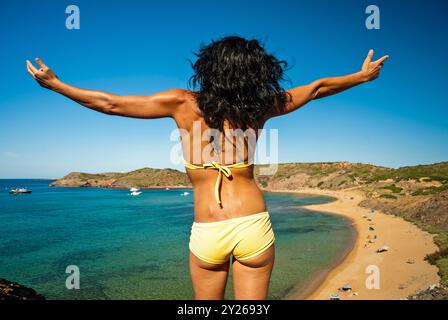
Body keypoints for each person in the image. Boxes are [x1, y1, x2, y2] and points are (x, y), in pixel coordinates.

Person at [26, 36, 388, 300]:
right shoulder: (262, 106)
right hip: (253, 224)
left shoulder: (183, 103)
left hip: (208, 229)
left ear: (208, 69)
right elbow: (319, 87)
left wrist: (57, 85)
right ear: (258, 73)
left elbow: (111, 105)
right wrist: (361, 77)